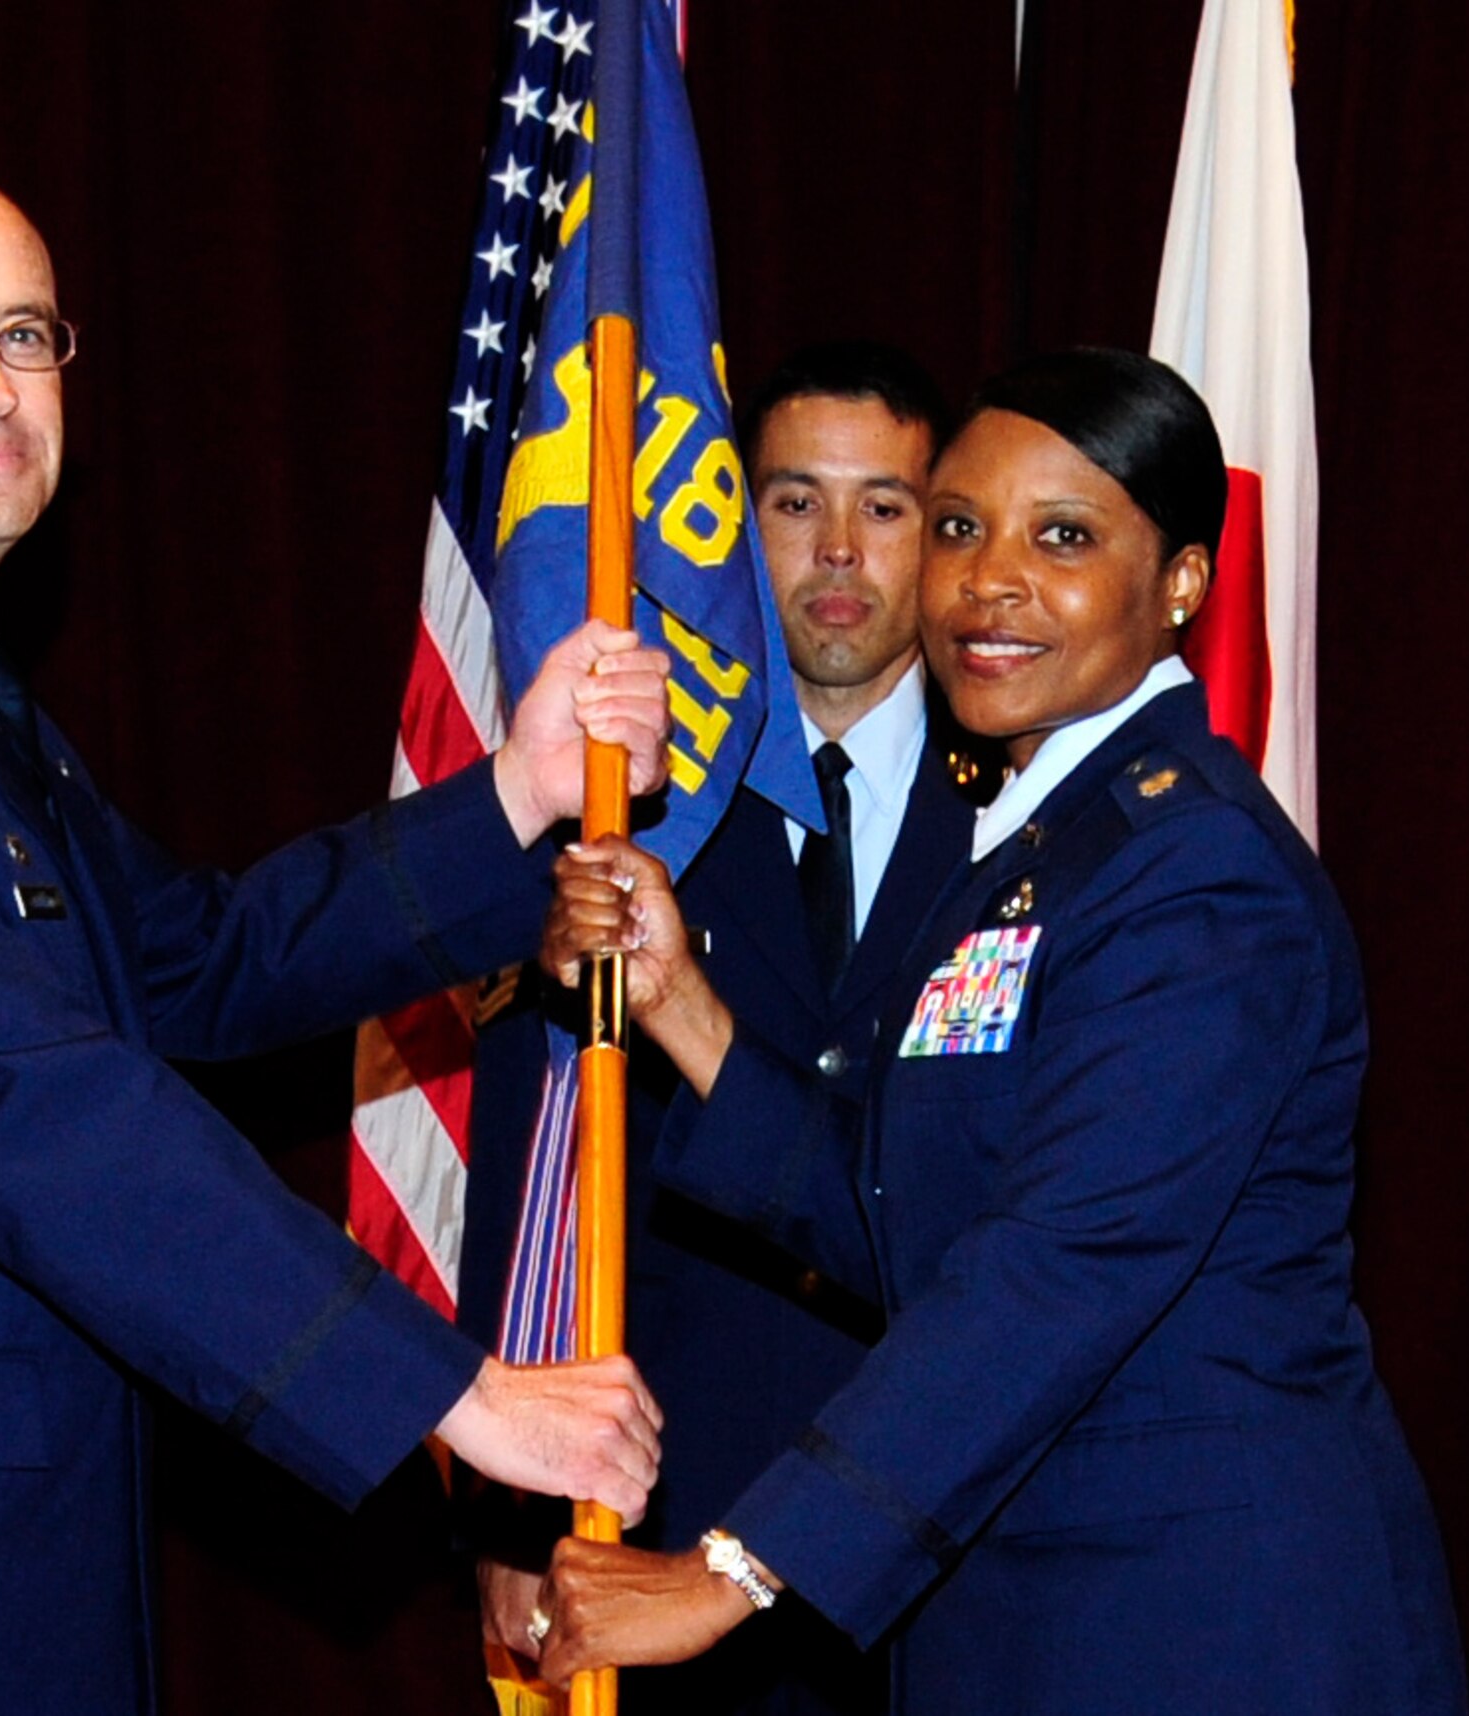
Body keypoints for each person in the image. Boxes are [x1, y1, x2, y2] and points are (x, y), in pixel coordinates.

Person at [0, 158, 675, 1716]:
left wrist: (516, 794)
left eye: (25, 335)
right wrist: (454, 1393)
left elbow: (193, 960)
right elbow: (31, 1104)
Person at [524, 350, 1468, 1712]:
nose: (990, 581)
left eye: (1062, 537)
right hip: (1033, 1619)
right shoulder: (1039, 848)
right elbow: (912, 1218)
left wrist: (732, 1570)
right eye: (961, 528)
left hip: (1207, 1629)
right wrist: (677, 1003)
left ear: (1181, 583)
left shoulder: (1199, 871)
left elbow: (1058, 1266)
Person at [463, 342, 984, 1714]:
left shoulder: (1017, 809)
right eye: (795, 501)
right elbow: (540, 1150)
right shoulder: (633, 795)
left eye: (886, 507)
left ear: (943, 534)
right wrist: (516, 1510)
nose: (839, 551)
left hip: (956, 1511)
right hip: (679, 1497)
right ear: (735, 528)